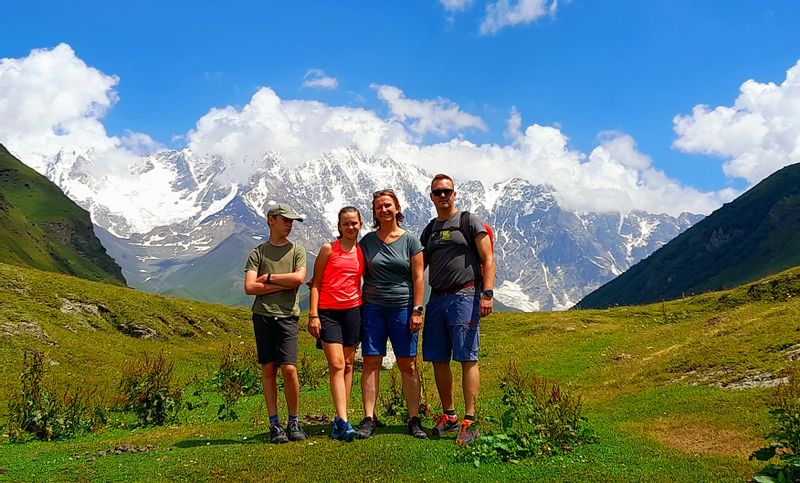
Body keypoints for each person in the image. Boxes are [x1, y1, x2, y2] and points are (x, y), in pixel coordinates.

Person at [421, 174, 495, 446]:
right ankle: (449, 414)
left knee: (467, 357)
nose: (443, 196)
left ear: (455, 194)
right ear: (431, 196)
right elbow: (419, 266)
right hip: (437, 298)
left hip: (466, 295)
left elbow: (488, 259)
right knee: (438, 358)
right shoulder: (430, 229)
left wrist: (487, 294)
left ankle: (470, 419)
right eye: (437, 192)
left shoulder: (468, 221)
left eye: (447, 191)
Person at [356, 189, 427, 439]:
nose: (384, 210)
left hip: (403, 307)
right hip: (373, 308)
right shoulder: (367, 242)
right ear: (374, 213)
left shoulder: (411, 241)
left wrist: (418, 310)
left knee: (407, 364)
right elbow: (353, 269)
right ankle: (368, 418)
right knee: (371, 362)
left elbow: (419, 277)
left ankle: (414, 419)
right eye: (379, 207)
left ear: (397, 208)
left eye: (388, 205)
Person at [243, 203, 308, 444]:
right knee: (269, 368)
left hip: (288, 316)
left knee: (289, 368)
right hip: (263, 316)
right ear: (271, 220)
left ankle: (294, 421)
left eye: (292, 221)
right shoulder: (258, 252)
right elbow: (250, 287)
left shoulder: (297, 251)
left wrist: (268, 279)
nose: (290, 224)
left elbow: (299, 279)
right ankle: (274, 424)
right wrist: (285, 282)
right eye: (285, 220)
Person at [307, 206, 365, 442]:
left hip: (353, 311)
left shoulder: (361, 251)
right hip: (328, 312)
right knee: (337, 364)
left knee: (349, 364)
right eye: (346, 223)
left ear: (361, 224)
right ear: (339, 226)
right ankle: (342, 421)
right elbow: (316, 283)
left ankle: (342, 418)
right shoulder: (328, 249)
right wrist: (313, 315)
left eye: (354, 223)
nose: (350, 227)